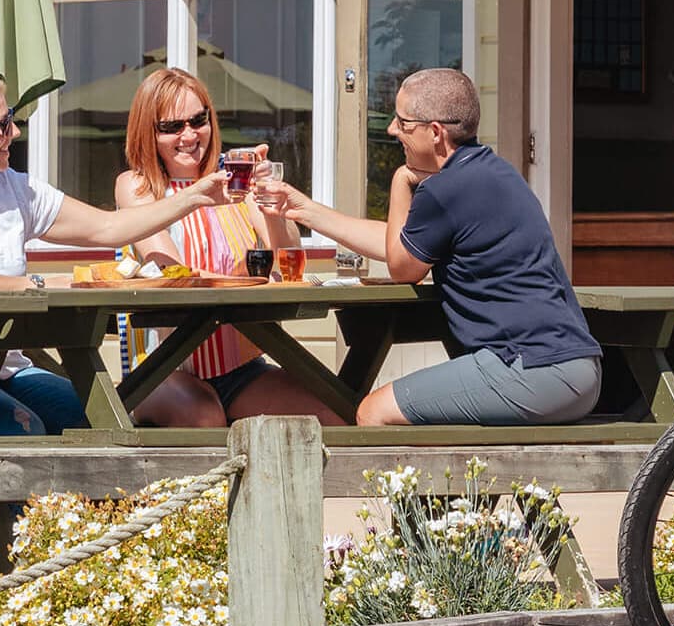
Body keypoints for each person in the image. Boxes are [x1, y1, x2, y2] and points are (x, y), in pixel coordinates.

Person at [0, 71, 234, 438]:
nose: (14, 133)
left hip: (5, 369)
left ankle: (84, 499)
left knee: (103, 423)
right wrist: (37, 284)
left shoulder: (16, 189)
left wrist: (194, 197)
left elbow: (107, 228)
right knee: (19, 427)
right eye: (2, 124)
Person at [256, 68, 601, 427]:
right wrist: (302, 210)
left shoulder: (445, 189)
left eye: (402, 122)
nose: (391, 130)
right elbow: (401, 244)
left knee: (373, 414)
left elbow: (402, 267)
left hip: (532, 370)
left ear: (434, 132)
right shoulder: (492, 172)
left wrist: (400, 179)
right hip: (576, 370)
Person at [112, 67, 344, 427]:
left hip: (240, 370)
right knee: (205, 417)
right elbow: (175, 273)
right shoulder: (138, 186)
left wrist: (270, 198)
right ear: (149, 133)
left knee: (335, 411)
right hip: (164, 369)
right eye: (172, 127)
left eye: (198, 120)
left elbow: (287, 262)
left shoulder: (236, 179)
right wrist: (251, 285)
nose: (189, 135)